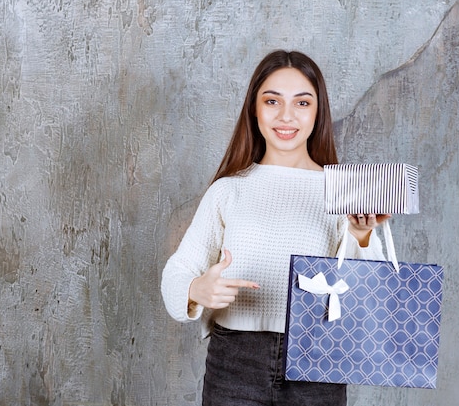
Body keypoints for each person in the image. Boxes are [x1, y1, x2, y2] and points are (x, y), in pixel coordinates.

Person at [161, 50, 390, 406]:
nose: (286, 116)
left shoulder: (348, 191)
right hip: (235, 361)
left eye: (302, 102)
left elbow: (370, 295)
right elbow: (177, 271)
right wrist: (195, 289)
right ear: (254, 109)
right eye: (272, 101)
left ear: (318, 113)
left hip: (319, 360)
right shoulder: (229, 190)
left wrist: (362, 235)